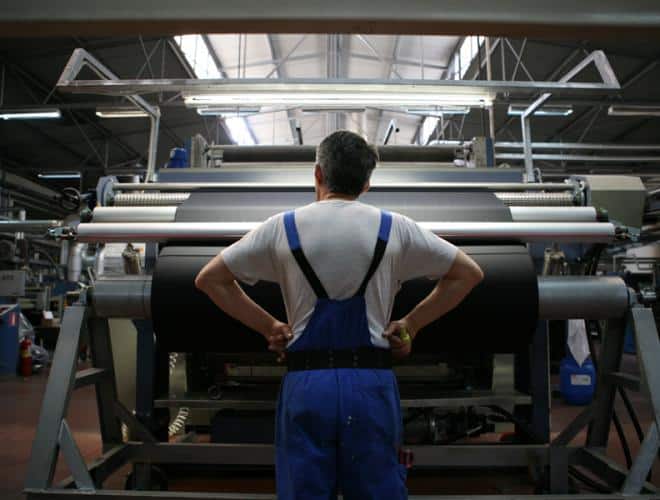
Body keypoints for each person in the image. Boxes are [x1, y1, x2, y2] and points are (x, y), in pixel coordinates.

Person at [195, 130, 484, 499]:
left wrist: (269, 326)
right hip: (371, 385)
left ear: (318, 174)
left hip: (307, 384)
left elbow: (210, 280)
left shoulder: (281, 228)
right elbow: (468, 274)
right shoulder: (395, 228)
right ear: (366, 183)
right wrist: (411, 324)